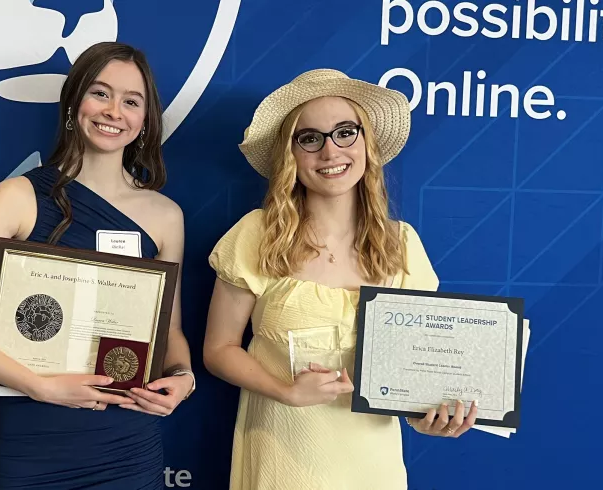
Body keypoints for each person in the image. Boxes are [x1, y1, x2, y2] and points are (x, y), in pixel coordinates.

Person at [0, 42, 195, 489]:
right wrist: (39, 385)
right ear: (74, 102)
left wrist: (183, 378)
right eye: (100, 93)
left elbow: (170, 331)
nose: (114, 111)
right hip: (31, 444)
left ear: (145, 119)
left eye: (131, 101)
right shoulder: (16, 197)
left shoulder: (166, 215)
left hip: (127, 445)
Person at [202, 69, 478, 490]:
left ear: (367, 144)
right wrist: (284, 390)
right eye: (310, 138)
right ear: (291, 155)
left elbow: (416, 373)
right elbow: (218, 349)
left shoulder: (402, 245)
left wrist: (427, 417)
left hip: (372, 466)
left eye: (345, 133)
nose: (330, 151)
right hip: (282, 461)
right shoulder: (258, 234)